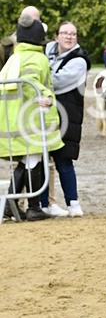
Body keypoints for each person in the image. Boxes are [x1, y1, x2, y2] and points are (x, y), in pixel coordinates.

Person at [0, 14, 64, 221]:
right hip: (30, 120)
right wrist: (44, 96)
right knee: (33, 158)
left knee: (28, 160)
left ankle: (14, 205)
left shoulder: (15, 57)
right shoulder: (36, 58)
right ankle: (32, 207)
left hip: (12, 118)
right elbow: (30, 82)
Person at [45, 22, 90, 216]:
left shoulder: (79, 61)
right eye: (65, 33)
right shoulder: (48, 52)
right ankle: (44, 203)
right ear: (57, 36)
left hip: (67, 115)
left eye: (73, 34)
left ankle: (73, 203)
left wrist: (39, 77)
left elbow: (56, 82)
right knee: (42, 160)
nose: (69, 37)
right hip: (46, 114)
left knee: (64, 159)